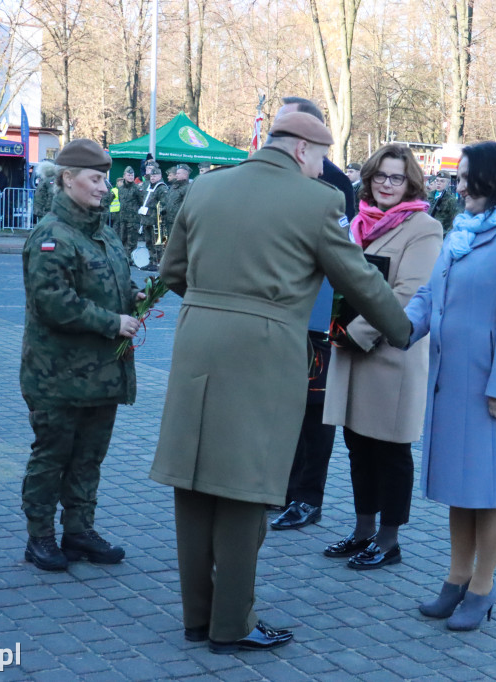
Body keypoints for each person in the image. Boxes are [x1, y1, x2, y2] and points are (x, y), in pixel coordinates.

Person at [149, 112, 412, 654]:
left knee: (194, 483)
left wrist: (217, 305)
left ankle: (197, 618)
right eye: (320, 159)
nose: (322, 170)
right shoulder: (316, 202)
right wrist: (403, 329)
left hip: (197, 342)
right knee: (247, 490)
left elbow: (172, 271)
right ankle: (233, 624)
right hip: (265, 354)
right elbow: (358, 279)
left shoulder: (204, 187)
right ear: (301, 151)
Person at [406, 141, 496, 631]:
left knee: (492, 488)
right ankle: (455, 578)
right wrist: (399, 328)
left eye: (467, 177)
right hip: (454, 379)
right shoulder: (461, 231)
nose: (459, 184)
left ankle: (483, 588)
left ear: (494, 179)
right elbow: (430, 295)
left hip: (494, 388)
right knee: (461, 487)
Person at [20, 138, 146, 572]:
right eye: (95, 178)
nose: (104, 187)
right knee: (52, 457)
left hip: (100, 374)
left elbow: (116, 280)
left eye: (106, 178)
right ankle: (40, 538)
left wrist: (135, 295)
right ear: (68, 179)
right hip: (57, 375)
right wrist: (112, 322)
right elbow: (52, 300)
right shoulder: (51, 235)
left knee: (89, 457)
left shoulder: (103, 232)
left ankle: (79, 531)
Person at [321, 145, 442, 570]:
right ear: (368, 179)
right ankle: (362, 530)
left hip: (388, 354)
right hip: (350, 351)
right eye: (380, 176)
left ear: (411, 183)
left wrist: (355, 334)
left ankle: (389, 541)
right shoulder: (356, 223)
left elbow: (408, 294)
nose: (387, 185)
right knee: (357, 447)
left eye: (397, 178)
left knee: (390, 451)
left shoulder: (423, 227)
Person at [268, 96, 356, 533]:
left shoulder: (332, 181)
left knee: (314, 411)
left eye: (285, 123)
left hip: (318, 317)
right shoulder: (269, 175)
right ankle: (281, 489)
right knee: (281, 407)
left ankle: (307, 497)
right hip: (279, 314)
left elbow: (341, 258)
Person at [108, 166, 147, 261]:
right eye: (128, 175)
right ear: (124, 176)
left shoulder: (137, 189)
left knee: (131, 240)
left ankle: (130, 258)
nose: (130, 177)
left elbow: (142, 202)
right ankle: (122, 257)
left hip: (133, 219)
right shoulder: (120, 189)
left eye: (132, 175)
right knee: (122, 239)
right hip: (122, 218)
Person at [140, 163, 169, 270]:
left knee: (157, 243)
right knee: (148, 242)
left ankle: (159, 263)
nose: (153, 178)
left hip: (156, 221)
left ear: (160, 176)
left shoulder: (161, 188)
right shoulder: (148, 186)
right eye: (152, 176)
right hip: (146, 219)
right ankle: (151, 261)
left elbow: (164, 205)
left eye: (155, 176)